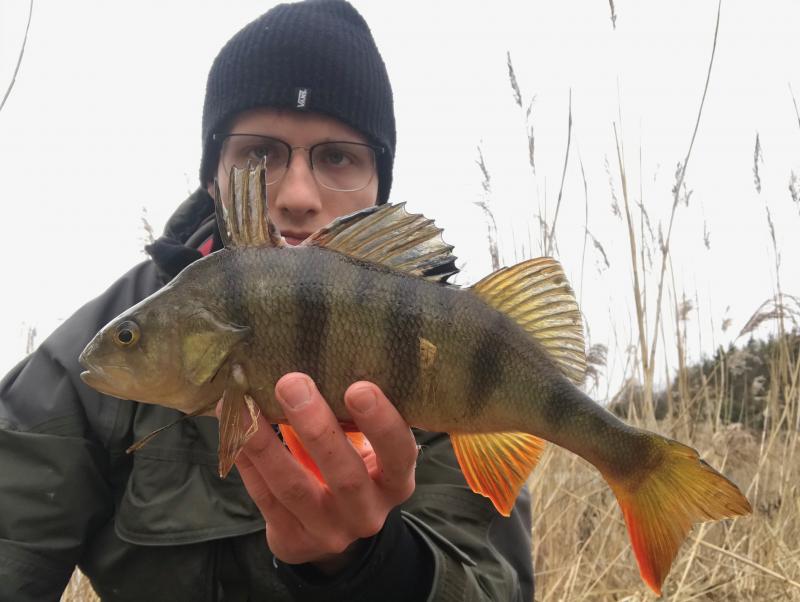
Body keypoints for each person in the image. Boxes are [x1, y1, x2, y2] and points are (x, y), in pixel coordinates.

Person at [0, 2, 533, 600]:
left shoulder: (454, 342)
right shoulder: (83, 364)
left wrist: (376, 566)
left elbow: (496, 585)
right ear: (213, 175)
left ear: (380, 186)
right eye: (259, 154)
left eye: (338, 156)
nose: (298, 195)